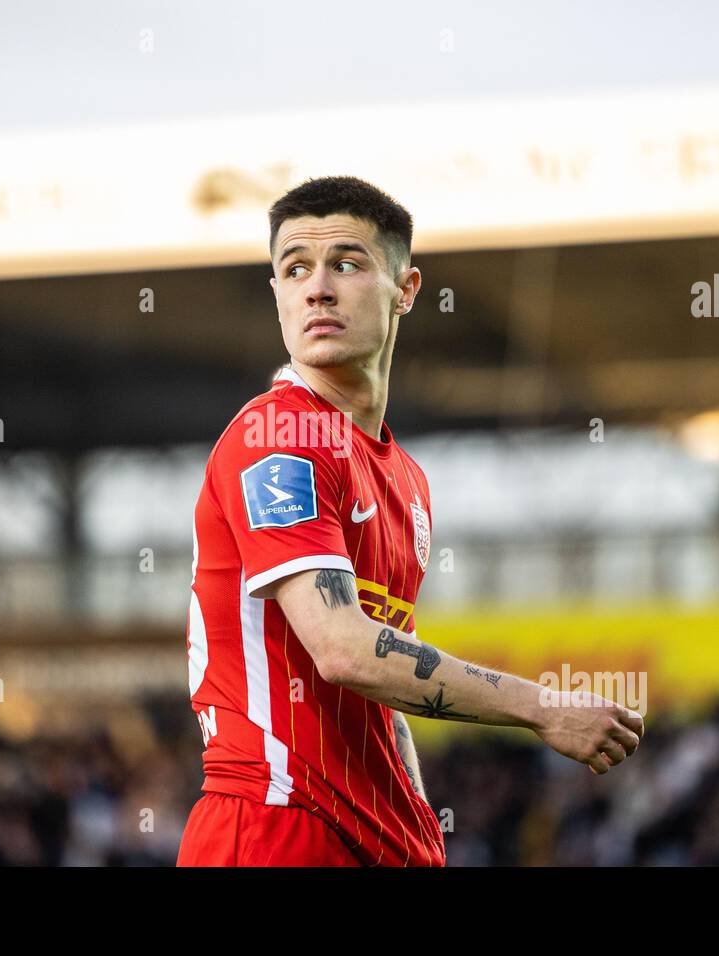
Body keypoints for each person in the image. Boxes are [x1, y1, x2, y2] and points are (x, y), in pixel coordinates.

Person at [177, 175, 643, 867]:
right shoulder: (277, 433)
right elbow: (342, 648)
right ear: (276, 293)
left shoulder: (404, 478)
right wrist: (542, 707)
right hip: (275, 824)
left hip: (370, 837)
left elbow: (384, 681)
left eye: (347, 262)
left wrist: (418, 834)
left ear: (407, 288)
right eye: (295, 269)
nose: (318, 287)